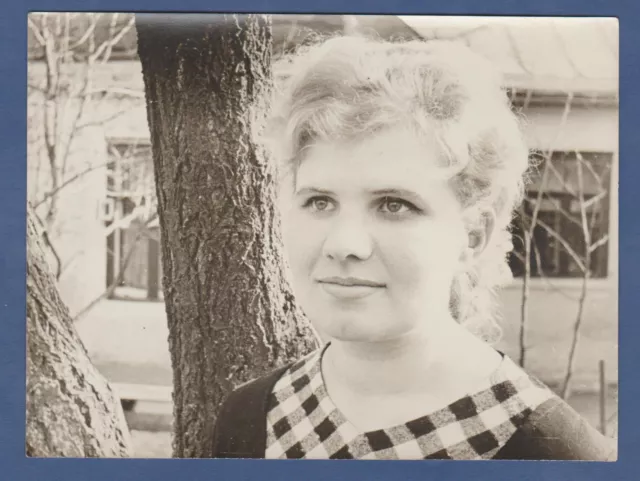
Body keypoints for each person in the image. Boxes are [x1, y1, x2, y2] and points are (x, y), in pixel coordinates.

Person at [211, 35, 617, 460]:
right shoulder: (249, 417)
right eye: (320, 202)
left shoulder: (559, 455)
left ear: (473, 234)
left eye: (394, 205)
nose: (344, 244)